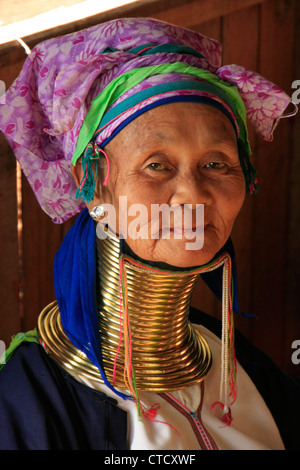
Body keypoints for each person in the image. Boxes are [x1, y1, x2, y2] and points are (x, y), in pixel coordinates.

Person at [0, 17, 299, 451]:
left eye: (217, 164)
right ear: (93, 182)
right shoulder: (31, 401)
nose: (193, 195)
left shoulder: (242, 364)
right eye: (156, 165)